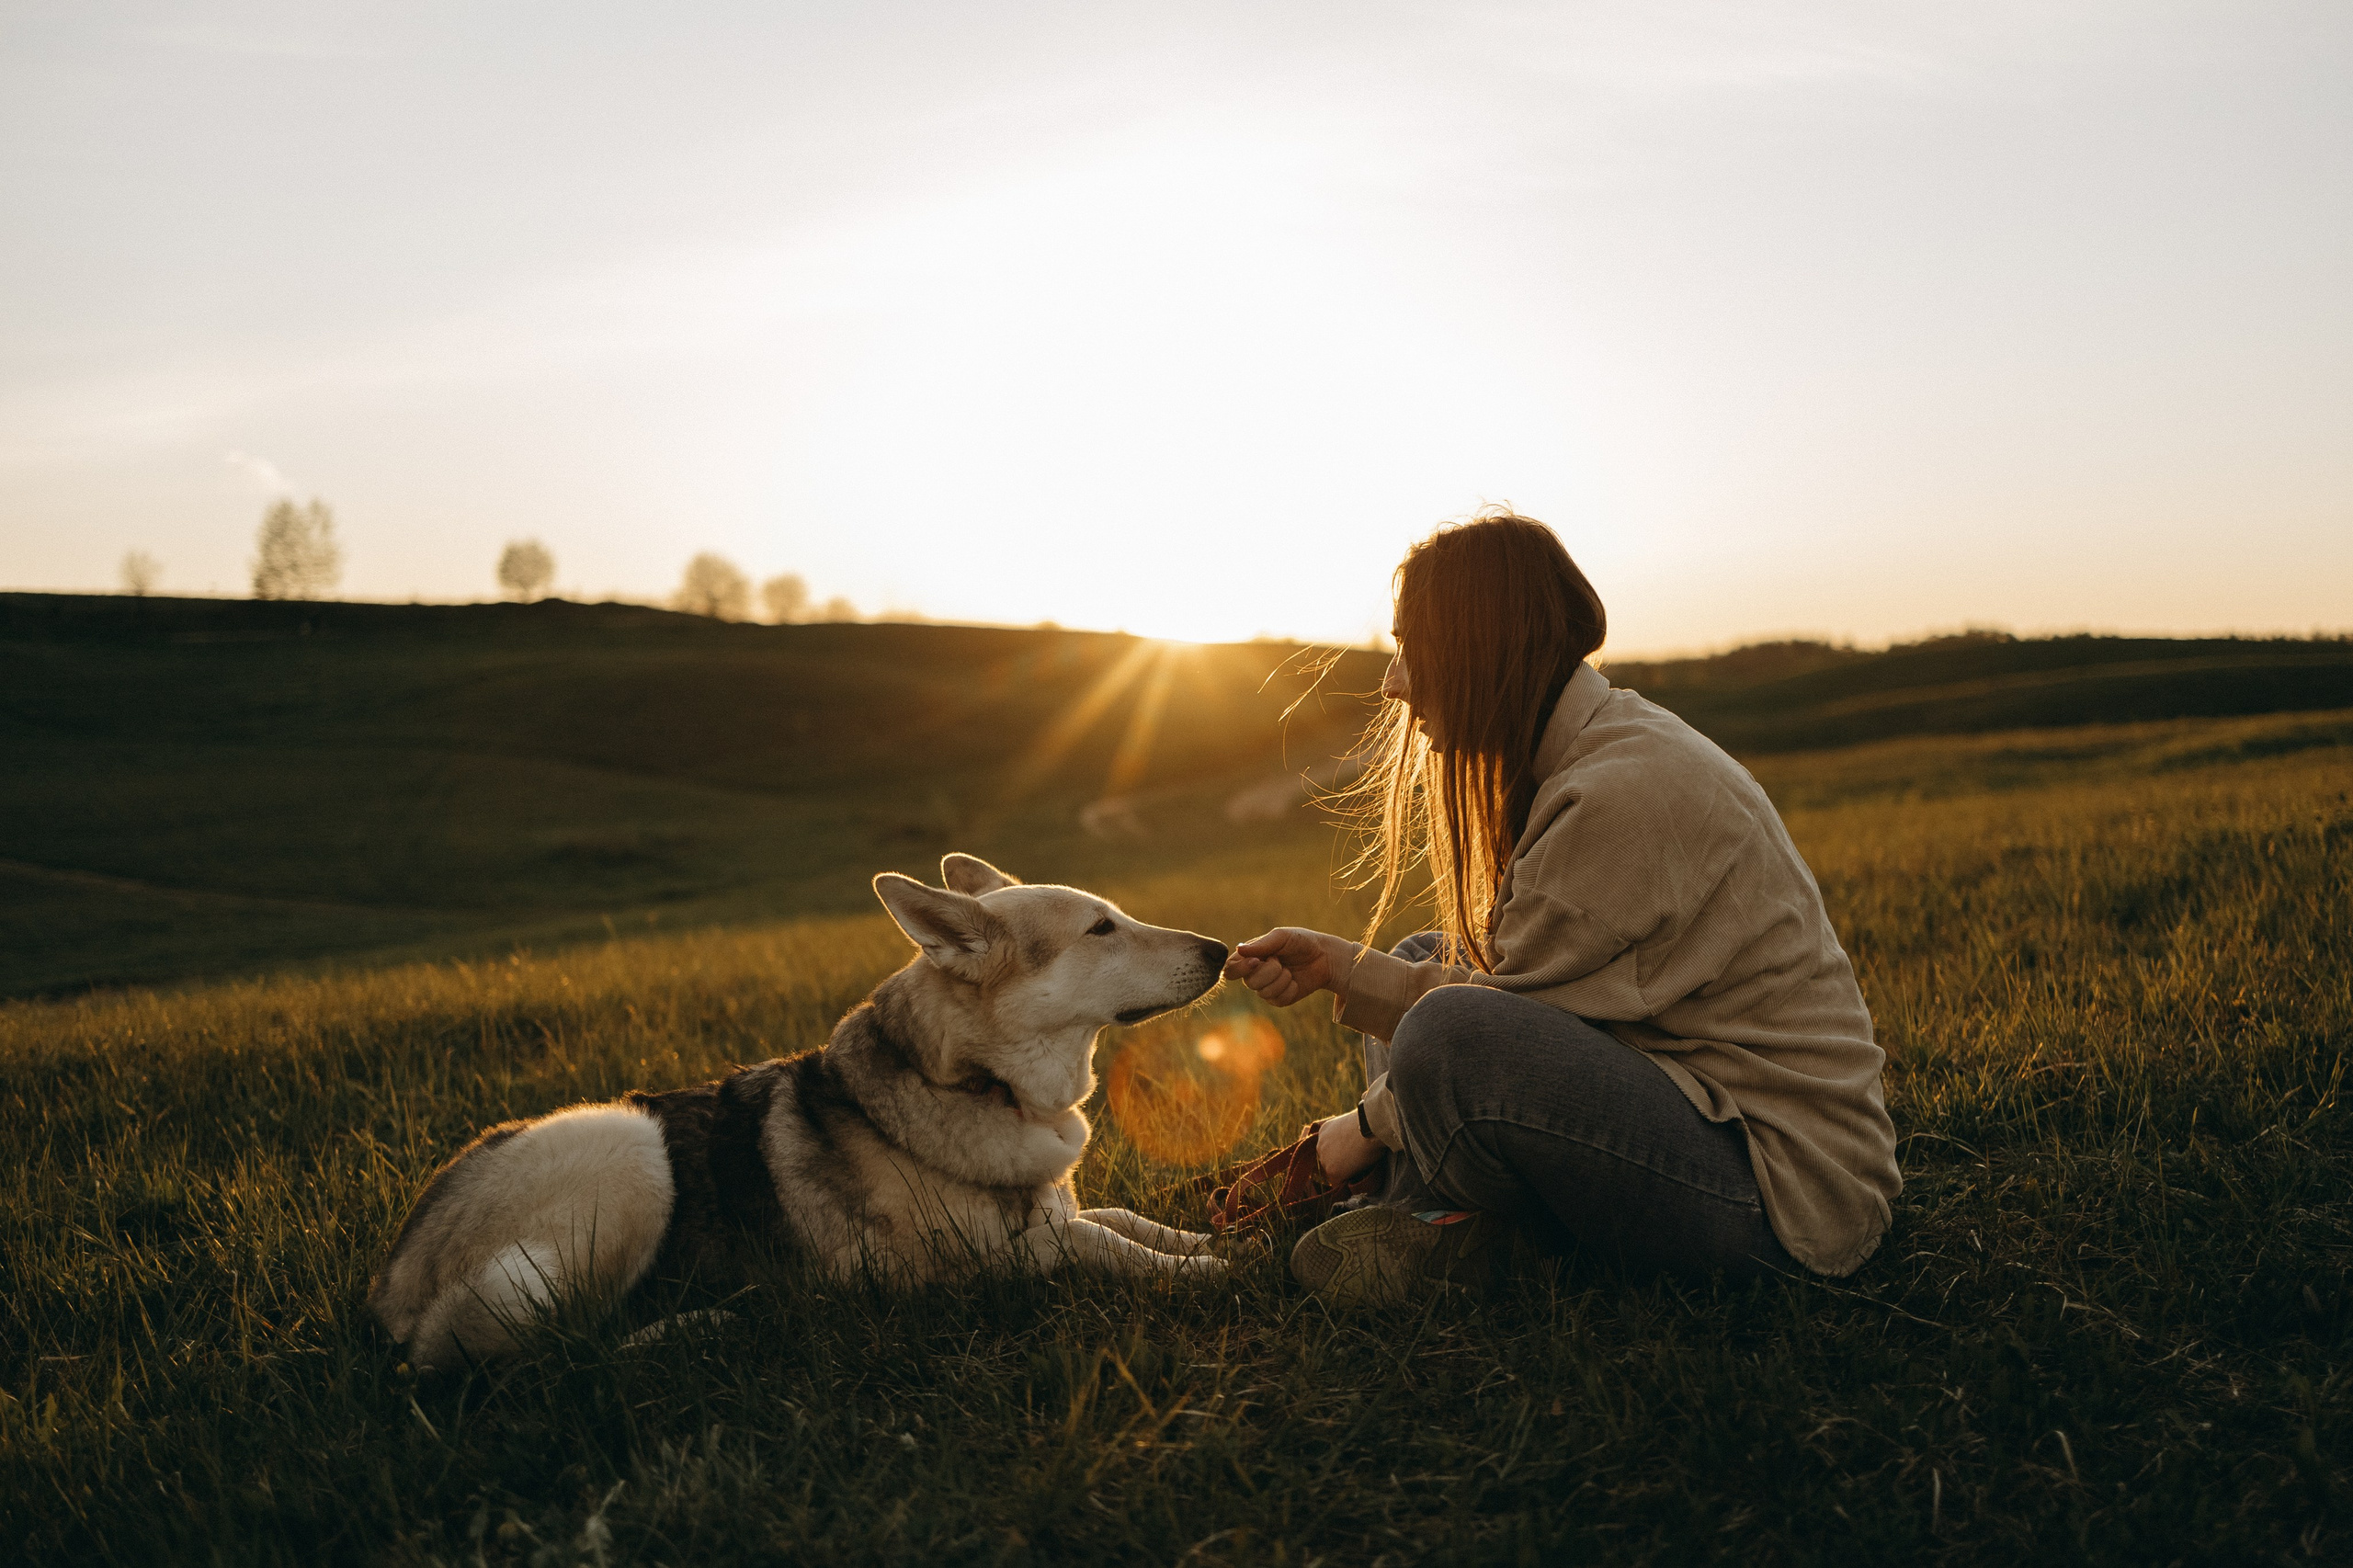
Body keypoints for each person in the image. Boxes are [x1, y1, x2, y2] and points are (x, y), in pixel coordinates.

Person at [1222, 510, 1899, 1306]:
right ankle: (1464, 1232)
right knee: (1416, 958)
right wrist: (1340, 966)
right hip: (1692, 1111)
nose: (1394, 682)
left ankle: (1446, 1226)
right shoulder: (1593, 750)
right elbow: (1528, 1002)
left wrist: (1357, 1131)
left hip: (1775, 1201)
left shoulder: (1617, 792)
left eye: (1413, 647)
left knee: (1446, 1032)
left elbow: (1490, 1030)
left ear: (1483, 645)